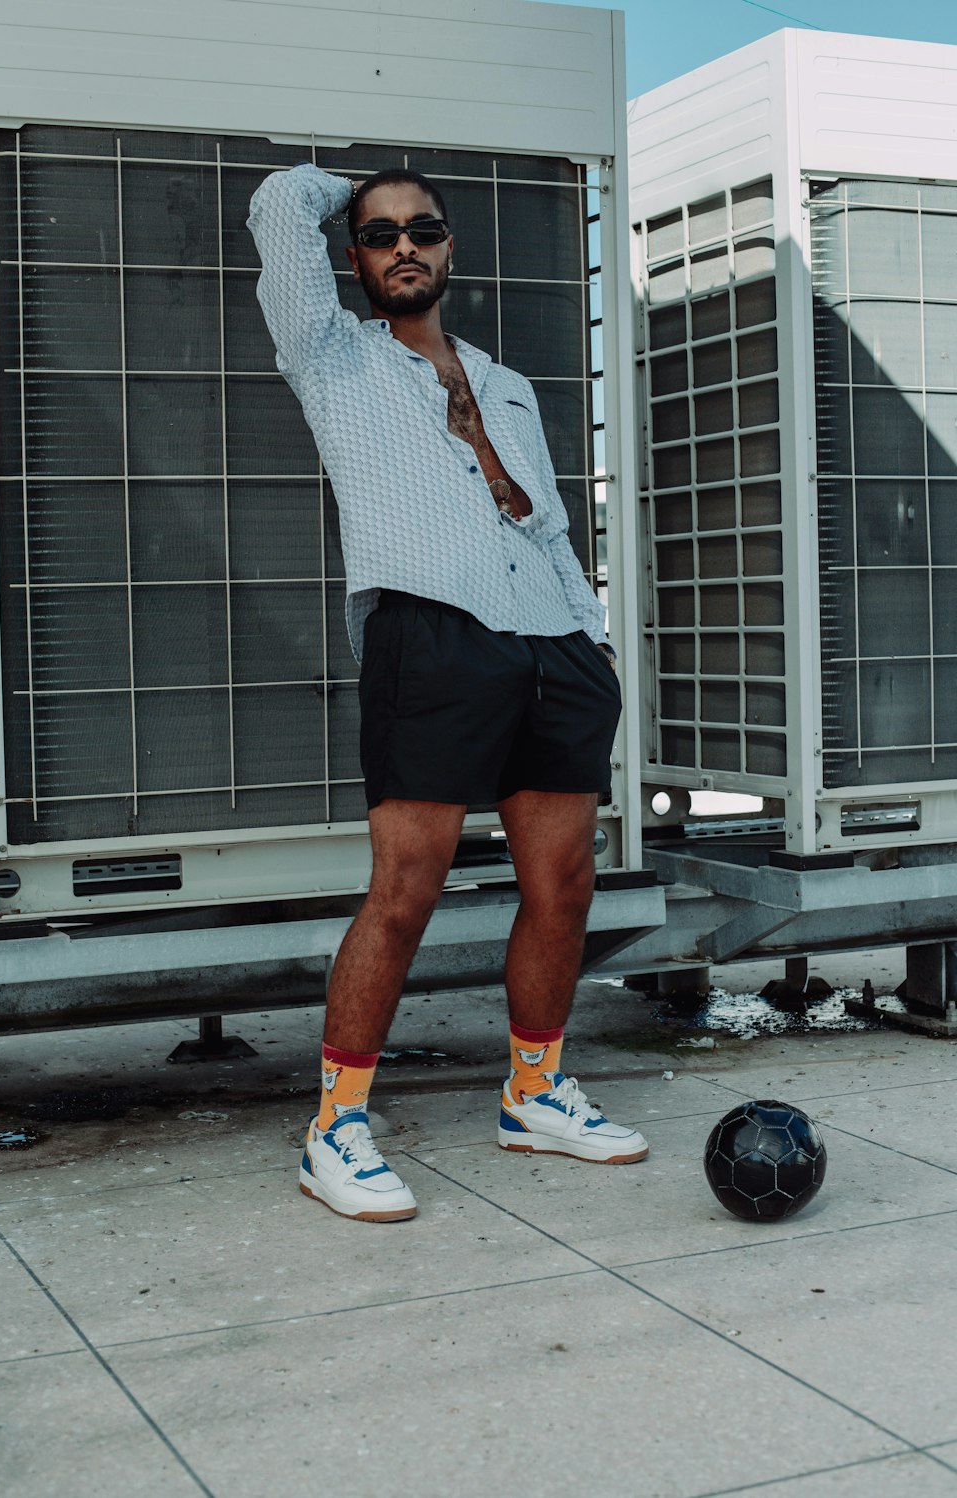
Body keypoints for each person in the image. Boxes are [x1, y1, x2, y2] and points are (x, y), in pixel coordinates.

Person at [247, 162, 648, 1223]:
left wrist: (593, 641)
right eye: (380, 235)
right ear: (356, 257)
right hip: (429, 633)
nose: (403, 246)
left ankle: (533, 1091)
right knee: (406, 888)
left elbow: (549, 522)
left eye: (422, 228)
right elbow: (274, 208)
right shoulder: (332, 358)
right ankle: (335, 1126)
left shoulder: (505, 384)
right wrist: (350, 184)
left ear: (451, 246)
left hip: (551, 642)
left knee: (563, 885)